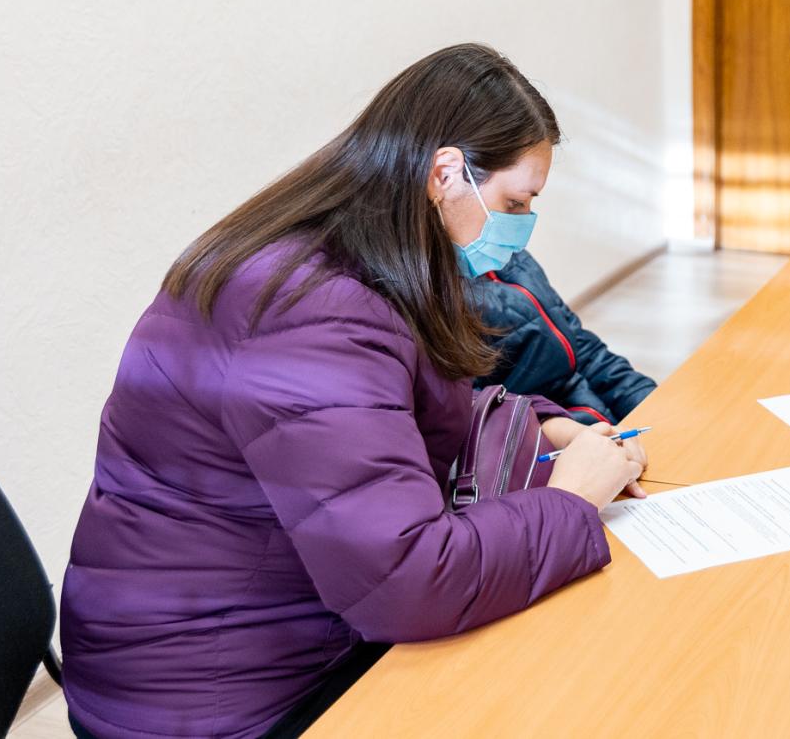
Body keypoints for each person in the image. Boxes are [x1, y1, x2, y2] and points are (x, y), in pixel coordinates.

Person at [60, 44, 647, 739]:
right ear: (445, 174)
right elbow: (408, 582)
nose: (521, 231)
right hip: (209, 699)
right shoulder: (309, 313)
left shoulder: (333, 257)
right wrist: (569, 503)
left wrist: (544, 429)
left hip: (244, 635)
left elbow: (388, 421)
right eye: (515, 203)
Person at [469, 250, 656, 425]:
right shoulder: (444, 302)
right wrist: (568, 433)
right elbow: (482, 421)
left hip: (593, 419)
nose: (525, 218)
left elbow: (585, 352)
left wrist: (649, 400)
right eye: (513, 211)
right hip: (548, 441)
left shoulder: (514, 257)